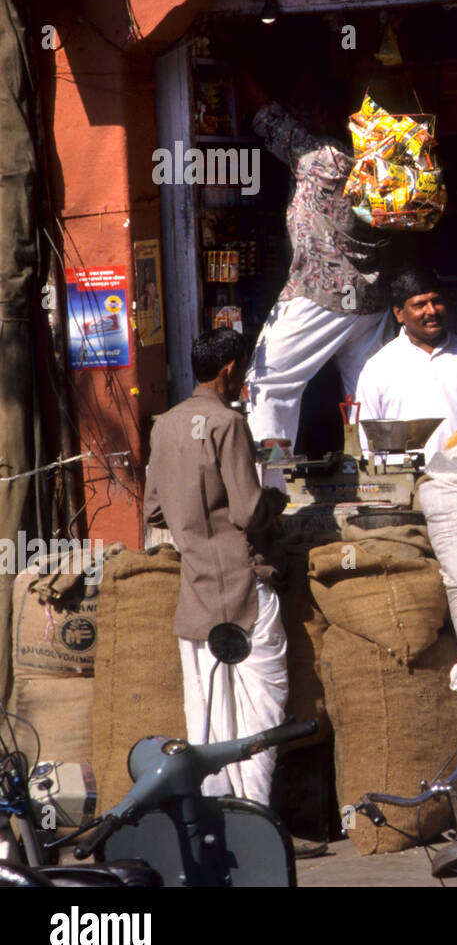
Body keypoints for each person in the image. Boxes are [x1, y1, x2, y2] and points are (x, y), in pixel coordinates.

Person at [142, 328, 289, 807]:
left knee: (207, 706)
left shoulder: (163, 424)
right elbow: (247, 513)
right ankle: (258, 812)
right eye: (242, 367)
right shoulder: (227, 423)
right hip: (245, 583)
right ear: (230, 369)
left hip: (198, 587)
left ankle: (218, 810)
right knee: (261, 704)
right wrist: (276, 500)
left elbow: (154, 512)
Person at [238, 72, 392, 464]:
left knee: (268, 385)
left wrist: (232, 63)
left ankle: (269, 486)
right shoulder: (380, 165)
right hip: (369, 301)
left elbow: (265, 114)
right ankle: (384, 477)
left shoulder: (323, 158)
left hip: (321, 293)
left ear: (324, 113)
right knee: (368, 394)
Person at [354, 268, 457, 455]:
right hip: (409, 480)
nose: (432, 311)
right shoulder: (379, 367)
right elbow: (366, 438)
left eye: (436, 301)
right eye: (420, 305)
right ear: (399, 314)